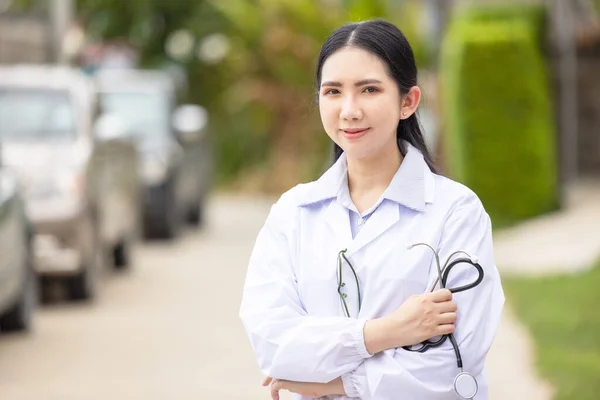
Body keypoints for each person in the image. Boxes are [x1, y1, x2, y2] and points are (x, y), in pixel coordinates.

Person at [239, 19, 504, 400]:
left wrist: (337, 383)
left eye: (369, 89)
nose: (349, 110)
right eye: (333, 91)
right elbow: (273, 343)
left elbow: (456, 362)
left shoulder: (456, 212)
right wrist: (388, 332)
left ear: (408, 102)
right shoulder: (293, 212)